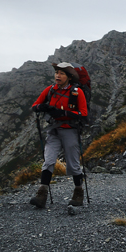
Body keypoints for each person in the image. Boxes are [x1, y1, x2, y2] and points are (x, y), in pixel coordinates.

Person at [29, 62, 89, 208]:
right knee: (48, 160)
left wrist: (63, 113)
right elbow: (34, 106)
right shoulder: (50, 90)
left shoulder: (77, 92)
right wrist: (41, 107)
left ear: (69, 77)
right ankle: (41, 194)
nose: (58, 75)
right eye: (56, 72)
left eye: (61, 73)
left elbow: (83, 113)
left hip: (70, 130)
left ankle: (78, 193)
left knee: (73, 164)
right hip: (54, 130)